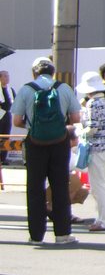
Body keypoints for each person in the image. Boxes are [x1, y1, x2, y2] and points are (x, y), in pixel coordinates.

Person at [12, 58, 81, 244]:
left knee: (35, 188)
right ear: (53, 72)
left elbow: (16, 121)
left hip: (35, 143)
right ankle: (62, 234)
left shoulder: (26, 89)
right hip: (59, 142)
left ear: (34, 73)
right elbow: (75, 117)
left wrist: (34, 125)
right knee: (59, 185)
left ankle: (36, 236)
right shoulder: (64, 88)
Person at [77, 71, 105, 232]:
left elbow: (92, 128)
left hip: (97, 149)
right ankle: (101, 218)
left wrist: (80, 132)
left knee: (98, 187)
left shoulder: (92, 103)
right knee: (103, 185)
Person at [0, 70, 13, 165]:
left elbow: (14, 102)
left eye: (8, 75)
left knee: (6, 137)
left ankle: (3, 158)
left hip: (7, 115)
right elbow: (4, 104)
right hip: (0, 115)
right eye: (4, 76)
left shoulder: (10, 89)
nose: (7, 77)